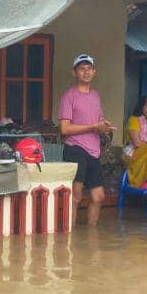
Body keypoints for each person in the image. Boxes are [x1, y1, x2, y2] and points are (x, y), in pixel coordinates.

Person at [59, 54, 115, 226]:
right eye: (82, 69)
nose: (86, 72)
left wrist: (103, 126)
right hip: (75, 148)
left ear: (94, 72)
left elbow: (97, 121)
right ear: (74, 73)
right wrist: (93, 126)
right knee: (75, 197)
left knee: (98, 197)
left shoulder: (95, 96)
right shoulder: (69, 96)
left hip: (94, 150)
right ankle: (70, 240)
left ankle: (91, 238)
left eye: (89, 68)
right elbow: (65, 129)